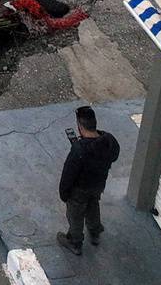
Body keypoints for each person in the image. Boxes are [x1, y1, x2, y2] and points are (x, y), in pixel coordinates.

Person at [56, 105, 121, 256]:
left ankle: (75, 242)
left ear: (79, 126)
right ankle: (95, 232)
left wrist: (64, 193)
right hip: (98, 185)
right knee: (93, 206)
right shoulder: (109, 140)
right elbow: (114, 155)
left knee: (76, 215)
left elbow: (69, 174)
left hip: (79, 191)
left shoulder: (79, 150)